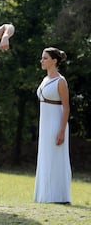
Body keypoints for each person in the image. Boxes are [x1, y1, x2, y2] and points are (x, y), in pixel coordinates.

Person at [34, 47, 71, 204]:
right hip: (45, 124)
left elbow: (66, 107)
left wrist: (61, 130)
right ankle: (45, 195)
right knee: (45, 158)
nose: (42, 61)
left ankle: (58, 196)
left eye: (45, 58)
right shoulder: (45, 80)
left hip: (56, 124)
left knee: (56, 159)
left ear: (54, 61)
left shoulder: (61, 81)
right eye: (42, 58)